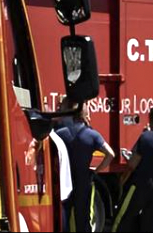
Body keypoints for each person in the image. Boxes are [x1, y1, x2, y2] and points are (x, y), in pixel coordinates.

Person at [54, 99, 115, 232]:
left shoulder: (59, 134)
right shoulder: (92, 135)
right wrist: (96, 171)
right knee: (83, 216)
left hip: (64, 181)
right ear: (85, 115)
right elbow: (111, 154)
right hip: (84, 180)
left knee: (65, 215)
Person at [115, 105, 153, 232]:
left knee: (124, 218)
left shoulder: (146, 137)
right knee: (151, 223)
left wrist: (122, 180)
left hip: (141, 184)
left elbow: (132, 164)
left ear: (150, 120)